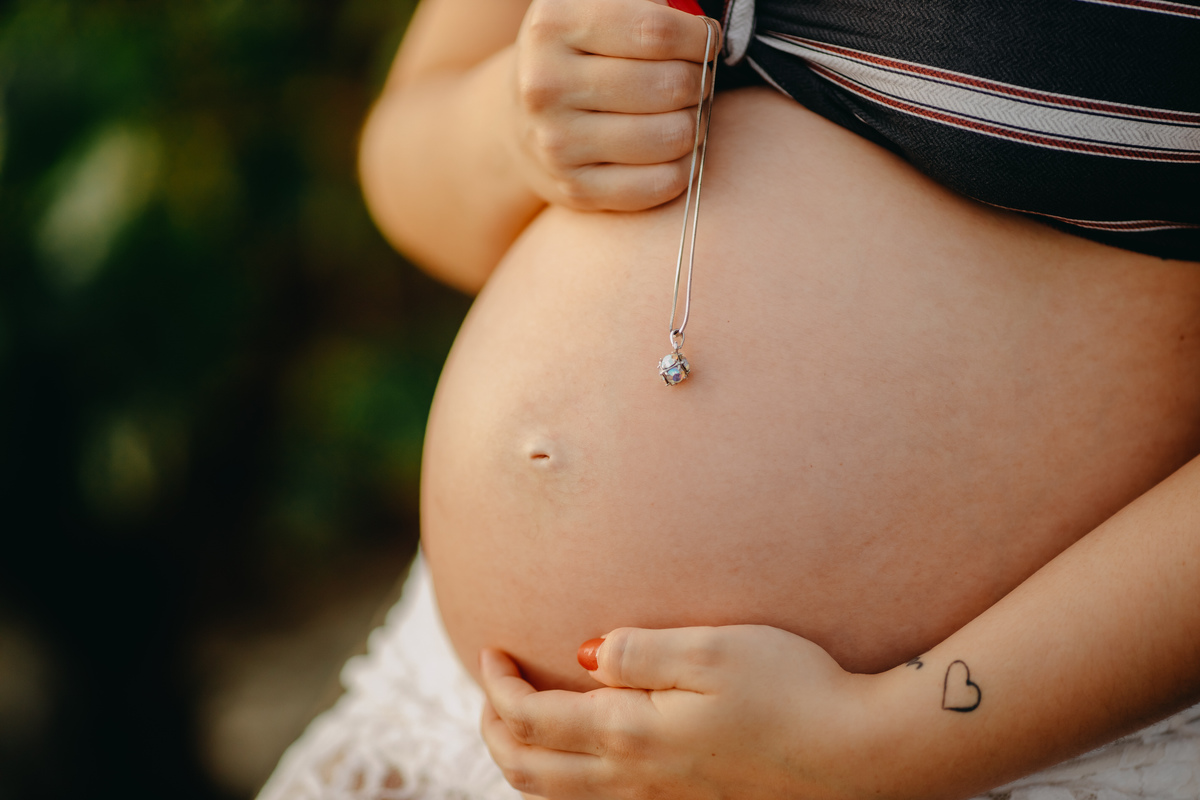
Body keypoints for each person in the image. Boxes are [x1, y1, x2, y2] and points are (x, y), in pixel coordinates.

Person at [258, 0, 1200, 798]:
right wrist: (518, 128)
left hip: (986, 744)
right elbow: (407, 155)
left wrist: (883, 742)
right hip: (468, 737)